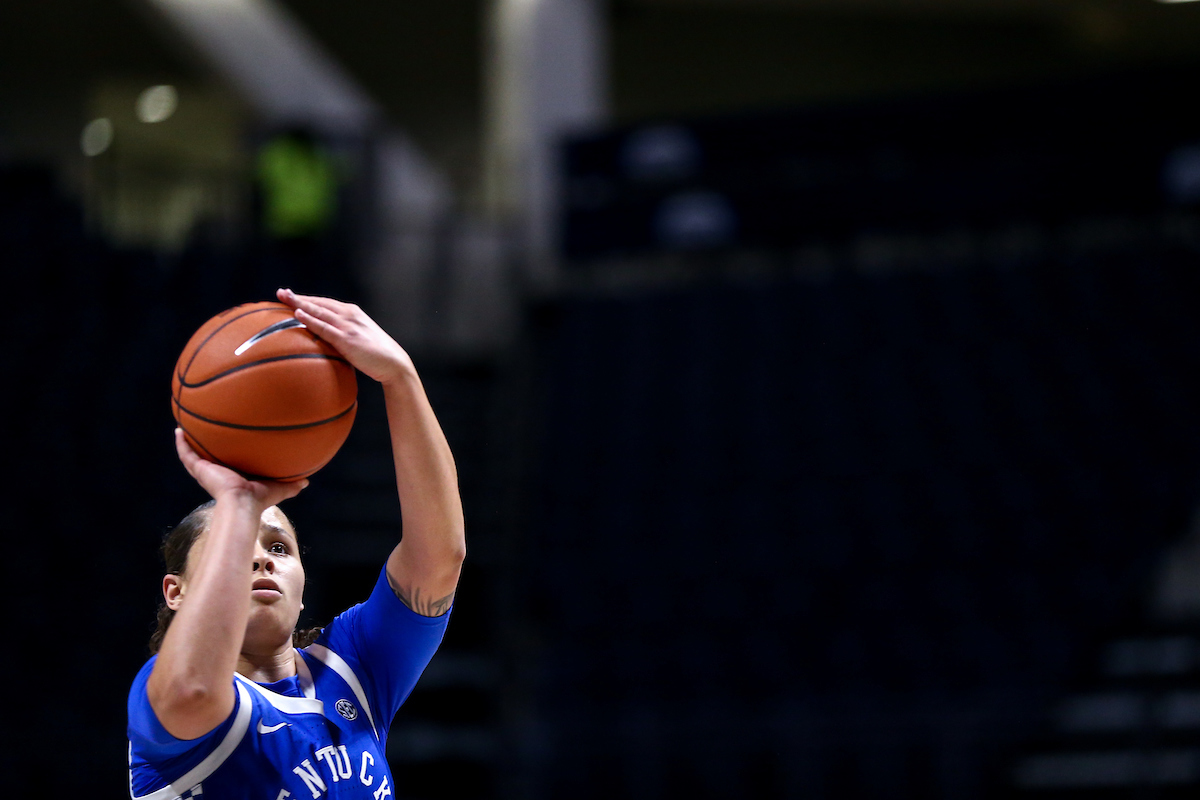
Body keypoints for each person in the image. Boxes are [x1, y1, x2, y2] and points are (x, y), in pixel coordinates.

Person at [127, 288, 466, 800]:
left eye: (280, 548)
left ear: (303, 587)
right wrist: (239, 503)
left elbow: (440, 558)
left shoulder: (352, 667)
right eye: (237, 548)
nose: (262, 556)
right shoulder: (162, 699)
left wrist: (400, 377)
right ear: (177, 592)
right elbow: (195, 690)